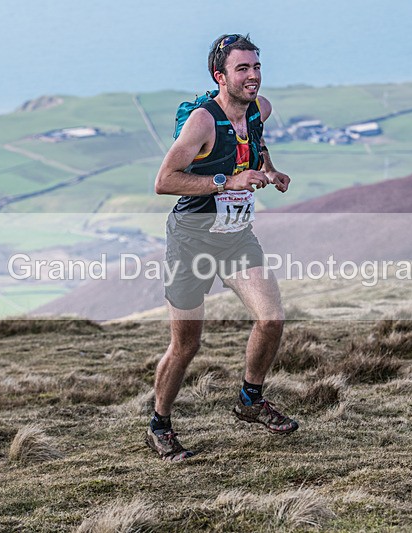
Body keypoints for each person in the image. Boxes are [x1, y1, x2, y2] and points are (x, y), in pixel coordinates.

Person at [147, 34, 296, 461]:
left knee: (271, 318)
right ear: (220, 75)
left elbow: (256, 141)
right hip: (191, 238)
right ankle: (160, 424)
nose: (253, 76)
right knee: (187, 344)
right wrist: (226, 181)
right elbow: (164, 181)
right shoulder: (202, 122)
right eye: (242, 69)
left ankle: (250, 400)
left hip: (235, 237)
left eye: (256, 67)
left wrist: (269, 169)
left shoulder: (260, 108)